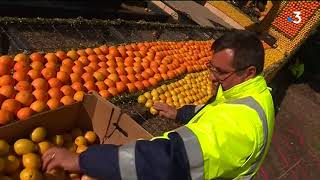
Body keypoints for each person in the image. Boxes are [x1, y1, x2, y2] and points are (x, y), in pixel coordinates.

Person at [42, 30, 275, 180]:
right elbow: (215, 113)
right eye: (211, 67)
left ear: (249, 72)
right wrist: (180, 113)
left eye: (221, 72)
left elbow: (166, 159)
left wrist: (81, 160)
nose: (212, 77)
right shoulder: (247, 93)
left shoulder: (242, 125)